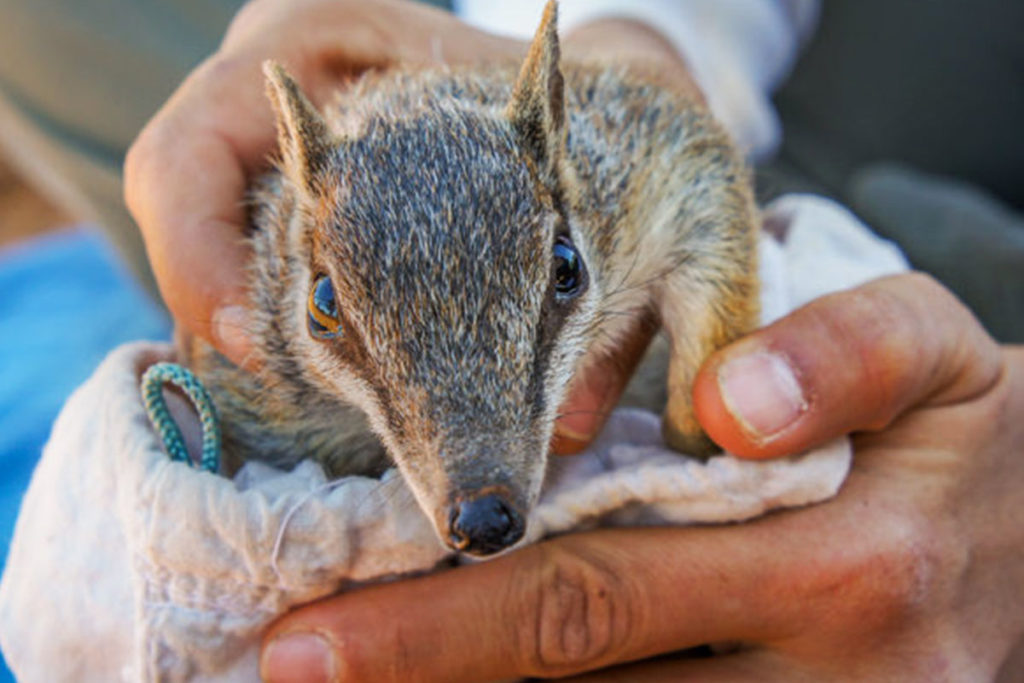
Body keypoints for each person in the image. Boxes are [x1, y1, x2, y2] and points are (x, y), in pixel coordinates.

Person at [8, 0, 1024, 679]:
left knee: (942, 254)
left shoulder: (613, 180)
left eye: (562, 275)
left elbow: (685, 166)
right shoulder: (297, 266)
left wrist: (701, 418)